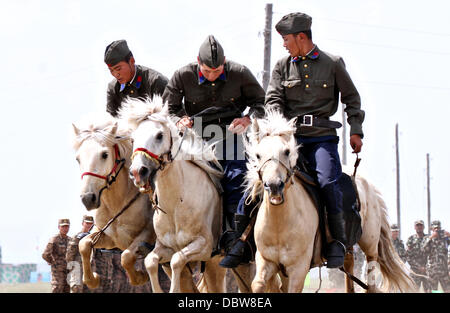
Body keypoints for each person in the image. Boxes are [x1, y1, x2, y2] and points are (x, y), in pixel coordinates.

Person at [265, 12, 365, 268]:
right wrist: (277, 126)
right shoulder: (281, 66)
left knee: (328, 182)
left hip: (322, 139)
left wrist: (355, 130)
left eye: (286, 39)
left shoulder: (332, 63)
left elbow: (351, 99)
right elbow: (273, 99)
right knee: (263, 179)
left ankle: (338, 243)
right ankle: (245, 240)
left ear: (301, 37)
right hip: (290, 142)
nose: (284, 44)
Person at [163, 35, 265, 268]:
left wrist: (248, 119)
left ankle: (235, 237)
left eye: (217, 71)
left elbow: (261, 102)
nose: (212, 75)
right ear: (198, 62)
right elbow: (169, 109)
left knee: (237, 178)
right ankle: (167, 234)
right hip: (195, 136)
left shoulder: (240, 73)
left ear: (225, 62)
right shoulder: (182, 75)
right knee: (172, 176)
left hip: (231, 134)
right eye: (207, 71)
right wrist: (179, 121)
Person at [104, 39, 169, 117]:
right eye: (111, 70)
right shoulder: (113, 88)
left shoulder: (156, 81)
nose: (115, 74)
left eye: (118, 69)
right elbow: (112, 120)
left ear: (131, 61)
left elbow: (175, 115)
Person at [66, 215, 94, 293]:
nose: (89, 225)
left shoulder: (94, 237)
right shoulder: (77, 236)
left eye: (91, 224)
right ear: (82, 223)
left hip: (90, 268)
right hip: (77, 267)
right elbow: (70, 253)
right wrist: (72, 268)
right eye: (87, 223)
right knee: (76, 289)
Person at [42, 219, 71, 293]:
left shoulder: (71, 240)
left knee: (67, 290)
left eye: (67, 227)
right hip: (57, 272)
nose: (65, 229)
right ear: (59, 227)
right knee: (57, 289)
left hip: (68, 272)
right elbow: (45, 254)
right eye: (63, 227)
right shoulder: (54, 239)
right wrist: (53, 262)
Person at [422, 220, 450, 292]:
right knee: (432, 290)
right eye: (435, 228)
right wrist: (431, 237)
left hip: (444, 270)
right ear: (432, 229)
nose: (437, 230)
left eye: (438, 228)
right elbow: (422, 249)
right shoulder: (427, 238)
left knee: (447, 289)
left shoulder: (445, 239)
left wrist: (449, 235)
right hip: (432, 270)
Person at [406, 220, 431, 292]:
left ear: (424, 227)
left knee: (429, 290)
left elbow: (432, 254)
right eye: (417, 225)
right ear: (414, 227)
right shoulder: (411, 239)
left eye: (421, 225)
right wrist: (418, 267)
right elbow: (408, 256)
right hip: (415, 271)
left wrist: (426, 267)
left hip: (427, 271)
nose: (419, 227)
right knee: (413, 290)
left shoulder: (428, 238)